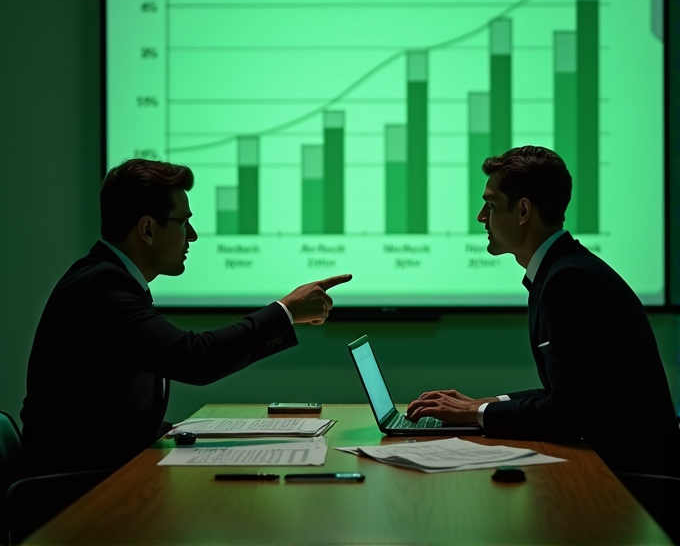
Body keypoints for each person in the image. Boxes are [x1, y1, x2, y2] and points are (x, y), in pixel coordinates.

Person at [20, 159, 351, 476]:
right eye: (183, 222)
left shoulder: (109, 279)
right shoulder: (102, 288)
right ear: (148, 229)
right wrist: (287, 311)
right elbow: (194, 357)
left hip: (105, 474)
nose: (192, 235)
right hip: (76, 496)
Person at [406, 146, 680, 477]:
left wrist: (476, 413)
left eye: (490, 204)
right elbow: (569, 394)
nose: (481, 216)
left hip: (632, 482)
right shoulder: (562, 269)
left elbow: (567, 413)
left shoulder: (569, 280)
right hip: (615, 465)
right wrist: (482, 404)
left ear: (523, 211)